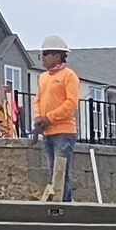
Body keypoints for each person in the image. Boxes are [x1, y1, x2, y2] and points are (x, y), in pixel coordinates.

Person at [35, 35, 80, 201]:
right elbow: (38, 100)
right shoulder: (43, 77)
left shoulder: (69, 76)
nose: (43, 59)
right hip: (48, 132)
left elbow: (70, 103)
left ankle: (64, 206)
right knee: (52, 171)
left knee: (61, 173)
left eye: (45, 54)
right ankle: (57, 204)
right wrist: (39, 118)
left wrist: (49, 117)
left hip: (64, 133)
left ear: (57, 55)